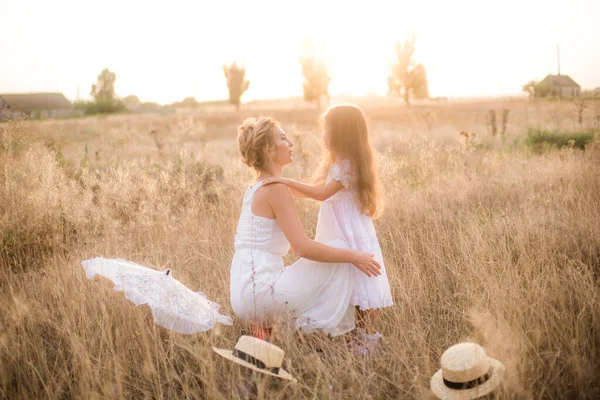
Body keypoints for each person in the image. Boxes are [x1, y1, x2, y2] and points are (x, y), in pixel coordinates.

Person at [230, 116, 381, 340]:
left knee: (333, 255)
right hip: (261, 294)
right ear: (269, 150)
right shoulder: (276, 190)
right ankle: (315, 329)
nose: (291, 143)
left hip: (242, 295)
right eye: (283, 138)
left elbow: (287, 244)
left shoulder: (253, 189)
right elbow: (302, 248)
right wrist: (354, 257)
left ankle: (264, 335)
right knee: (342, 248)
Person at [263, 104, 393, 352]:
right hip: (342, 229)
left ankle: (369, 337)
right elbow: (315, 191)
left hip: (350, 232)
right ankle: (359, 334)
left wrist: (286, 181)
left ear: (340, 133)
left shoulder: (347, 165)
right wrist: (282, 190)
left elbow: (322, 194)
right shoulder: (340, 162)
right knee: (348, 280)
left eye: (326, 130)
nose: (323, 135)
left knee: (361, 283)